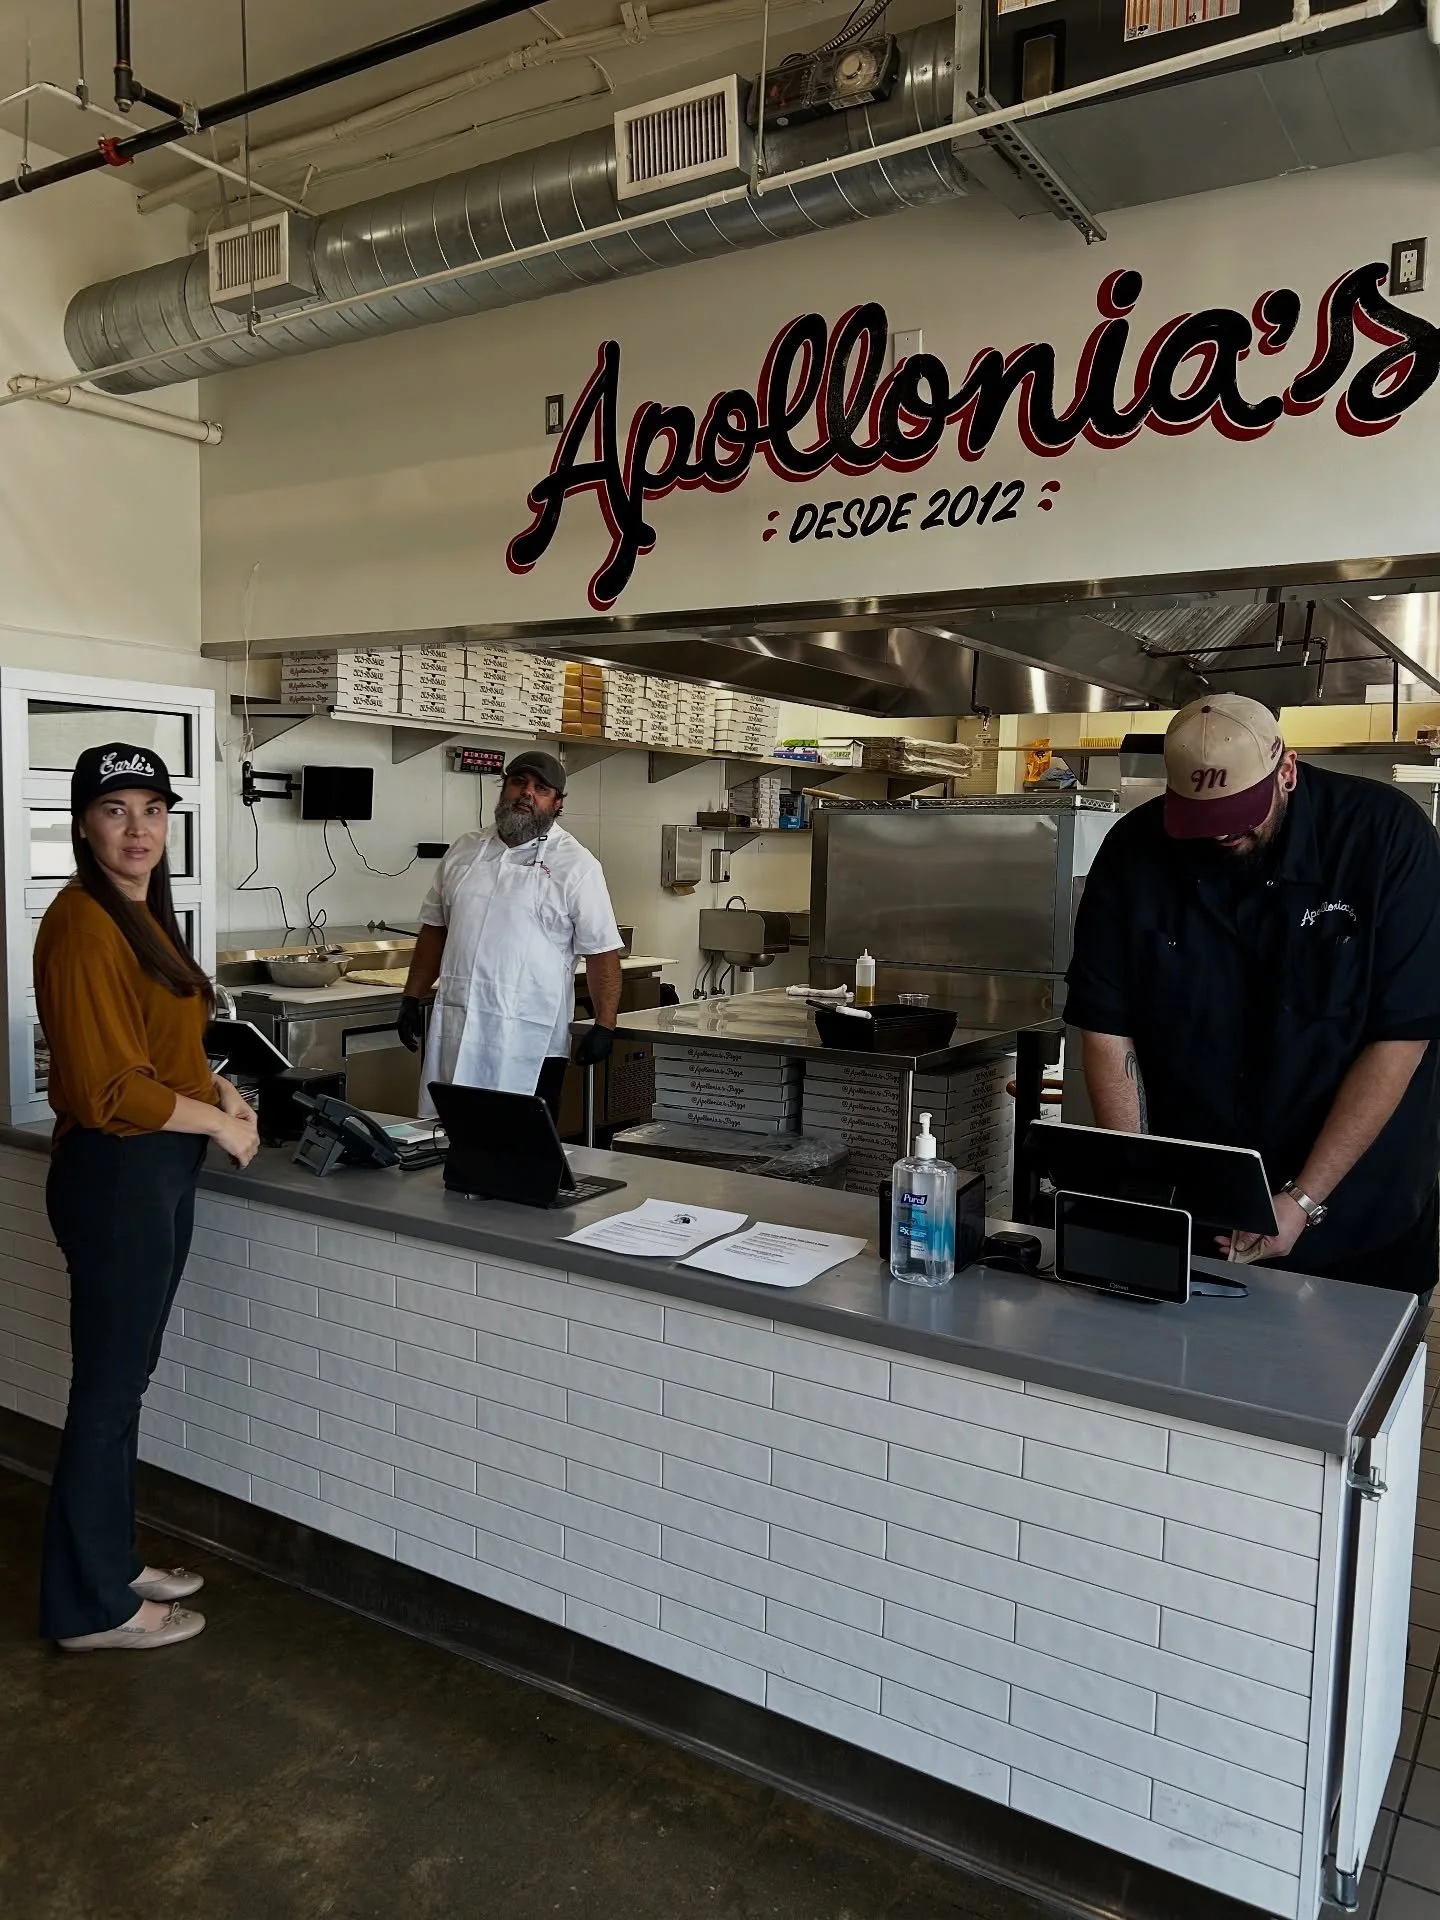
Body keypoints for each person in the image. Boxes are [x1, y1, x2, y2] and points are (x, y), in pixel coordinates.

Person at [1065, 692, 1440, 1293]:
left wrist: (1302, 1199)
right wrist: (1137, 1183)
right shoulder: (1134, 852)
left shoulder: (1385, 837)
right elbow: (1108, 1027)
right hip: (1199, 1204)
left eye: (1242, 812)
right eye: (1201, 818)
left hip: (1358, 1213)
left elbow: (1401, 1034)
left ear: (1285, 769)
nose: (1222, 834)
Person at [34, 744, 259, 1652]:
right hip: (118, 1174)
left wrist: (221, 1089)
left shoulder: (141, 915)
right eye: (116, 809)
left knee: (125, 1387)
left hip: (154, 1173)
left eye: (152, 810)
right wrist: (218, 1127)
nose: (138, 829)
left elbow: (163, 1046)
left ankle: (110, 1559)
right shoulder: (83, 923)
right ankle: (90, 1609)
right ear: (84, 824)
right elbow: (107, 1088)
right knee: (107, 1392)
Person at [397, 750, 624, 1119]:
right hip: (458, 1024)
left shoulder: (577, 865)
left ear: (558, 802)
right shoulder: (464, 850)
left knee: (520, 1148)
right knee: (445, 1136)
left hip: (529, 1034)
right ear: (504, 788)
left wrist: (605, 1024)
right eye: (518, 782)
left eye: (541, 788)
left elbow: (602, 952)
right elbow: (435, 931)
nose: (527, 793)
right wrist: (412, 996)